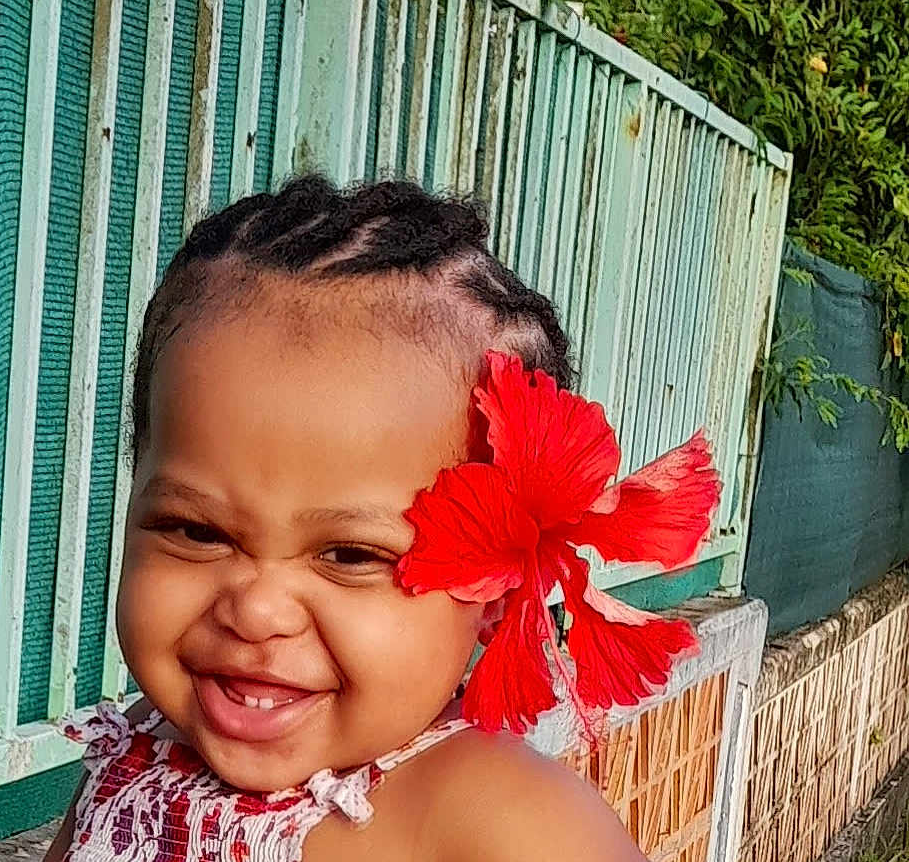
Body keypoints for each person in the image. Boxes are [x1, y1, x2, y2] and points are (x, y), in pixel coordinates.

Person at [45, 176, 719, 862]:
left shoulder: (501, 819)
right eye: (196, 531)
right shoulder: (136, 751)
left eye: (350, 554)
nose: (255, 610)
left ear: (497, 587)